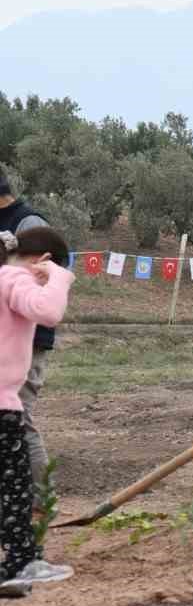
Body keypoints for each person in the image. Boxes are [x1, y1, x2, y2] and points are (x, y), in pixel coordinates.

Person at [0, 227, 75, 587]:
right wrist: (59, 278)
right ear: (42, 261)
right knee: (14, 489)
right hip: (2, 406)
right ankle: (21, 564)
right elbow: (48, 312)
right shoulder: (16, 279)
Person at [0, 171, 58, 509]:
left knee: (18, 417)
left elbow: (42, 280)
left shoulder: (28, 222)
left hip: (29, 337)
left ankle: (40, 501)